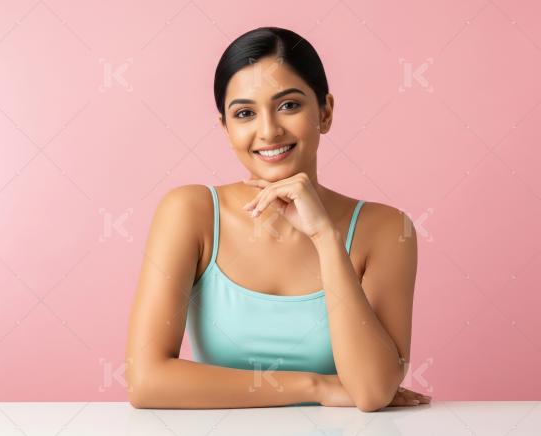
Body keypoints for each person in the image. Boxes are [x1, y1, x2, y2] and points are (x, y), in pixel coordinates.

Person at [124, 26, 430, 411]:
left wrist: (324, 237)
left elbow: (371, 392)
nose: (268, 131)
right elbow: (146, 382)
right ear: (227, 128)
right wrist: (316, 386)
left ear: (326, 112)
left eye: (289, 105)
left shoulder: (387, 229)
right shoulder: (190, 212)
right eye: (245, 113)